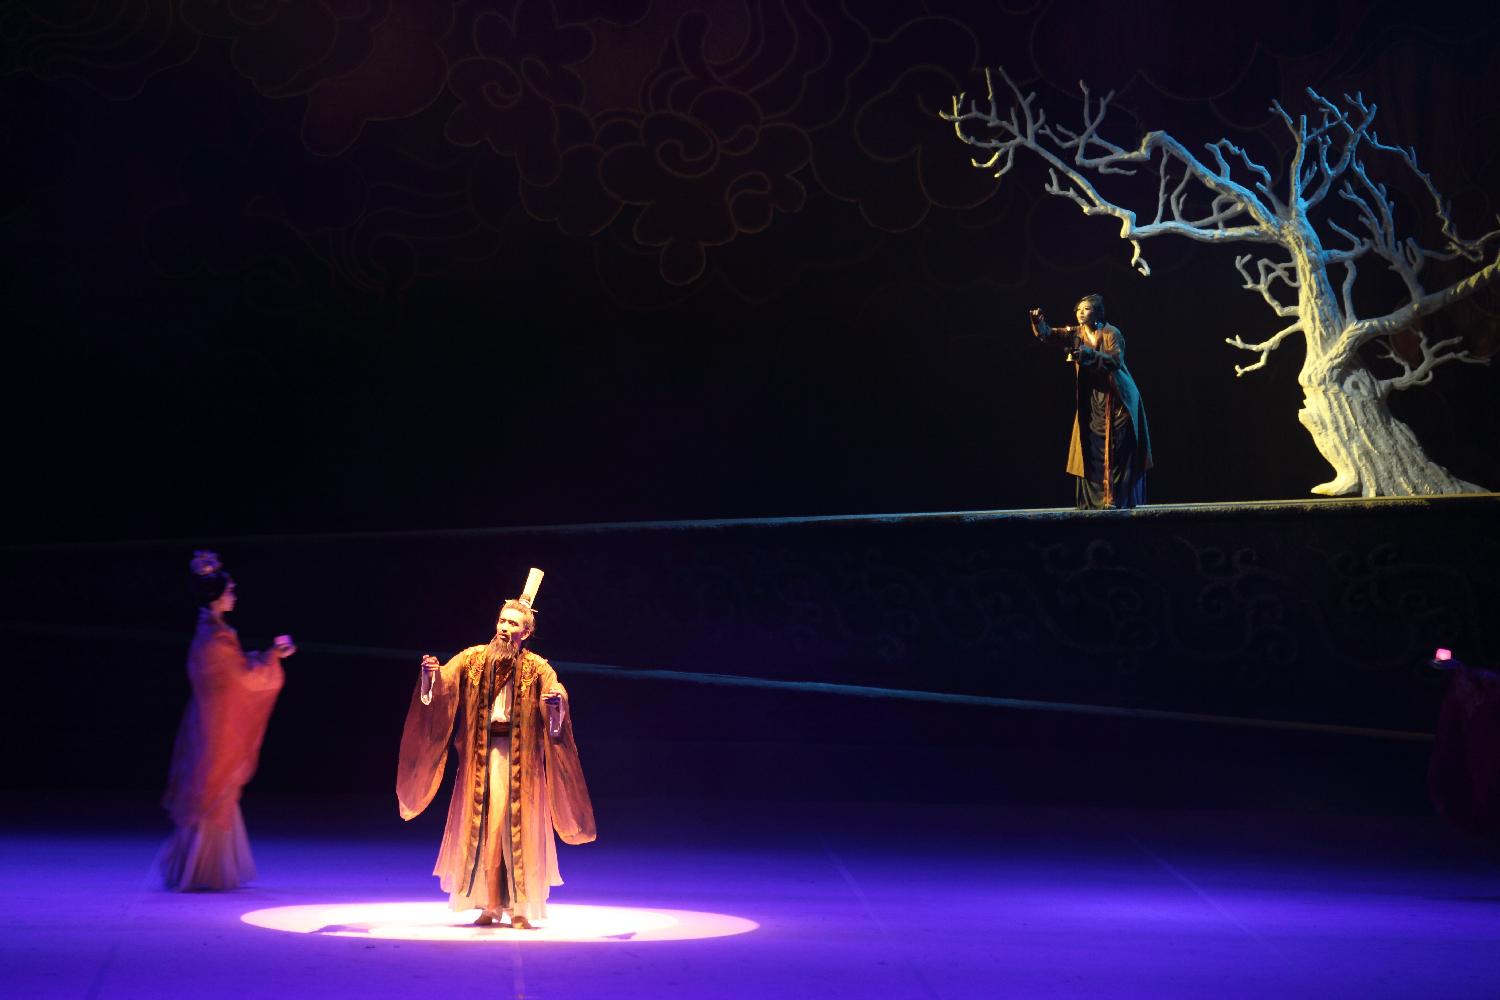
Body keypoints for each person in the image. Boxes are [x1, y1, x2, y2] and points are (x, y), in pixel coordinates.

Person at [396, 568, 595, 929]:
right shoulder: (472, 659)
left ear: (526, 632)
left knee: (513, 829)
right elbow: (442, 688)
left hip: (521, 765)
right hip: (480, 761)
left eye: (513, 623)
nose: (504, 627)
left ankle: (518, 907)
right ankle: (489, 904)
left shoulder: (537, 668)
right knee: (486, 828)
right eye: (502, 620)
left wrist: (556, 703)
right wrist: (430, 675)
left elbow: (557, 694)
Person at [160, 550, 295, 890]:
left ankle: (200, 867)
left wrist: (267, 656)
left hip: (210, 721)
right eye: (230, 590)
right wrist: (272, 656)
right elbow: (242, 678)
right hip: (215, 726)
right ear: (217, 596)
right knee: (211, 786)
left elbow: (236, 670)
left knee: (212, 786)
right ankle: (199, 870)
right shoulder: (214, 638)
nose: (234, 594)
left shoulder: (214, 633)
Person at [1029, 294, 1153, 508]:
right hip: (1094, 399)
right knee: (1092, 447)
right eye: (1079, 309)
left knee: (1116, 448)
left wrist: (1086, 355)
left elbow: (1115, 361)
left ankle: (1117, 499)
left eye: (1086, 309)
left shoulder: (1111, 333)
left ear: (1097, 312)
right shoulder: (1076, 333)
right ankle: (1097, 502)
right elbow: (1049, 334)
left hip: (1117, 398)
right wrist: (1038, 323)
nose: (1081, 312)